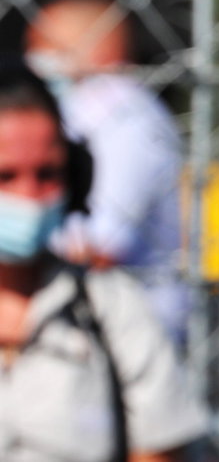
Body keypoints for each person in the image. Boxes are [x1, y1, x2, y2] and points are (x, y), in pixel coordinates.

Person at [0, 57, 206, 462]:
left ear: (76, 179)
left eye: (47, 174)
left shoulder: (112, 308)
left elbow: (159, 451)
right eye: (5, 176)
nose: (29, 195)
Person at [23, 0, 186, 341]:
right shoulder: (82, 108)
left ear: (101, 48)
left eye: (46, 46)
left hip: (129, 337)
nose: (33, 59)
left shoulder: (119, 110)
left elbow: (96, 247)